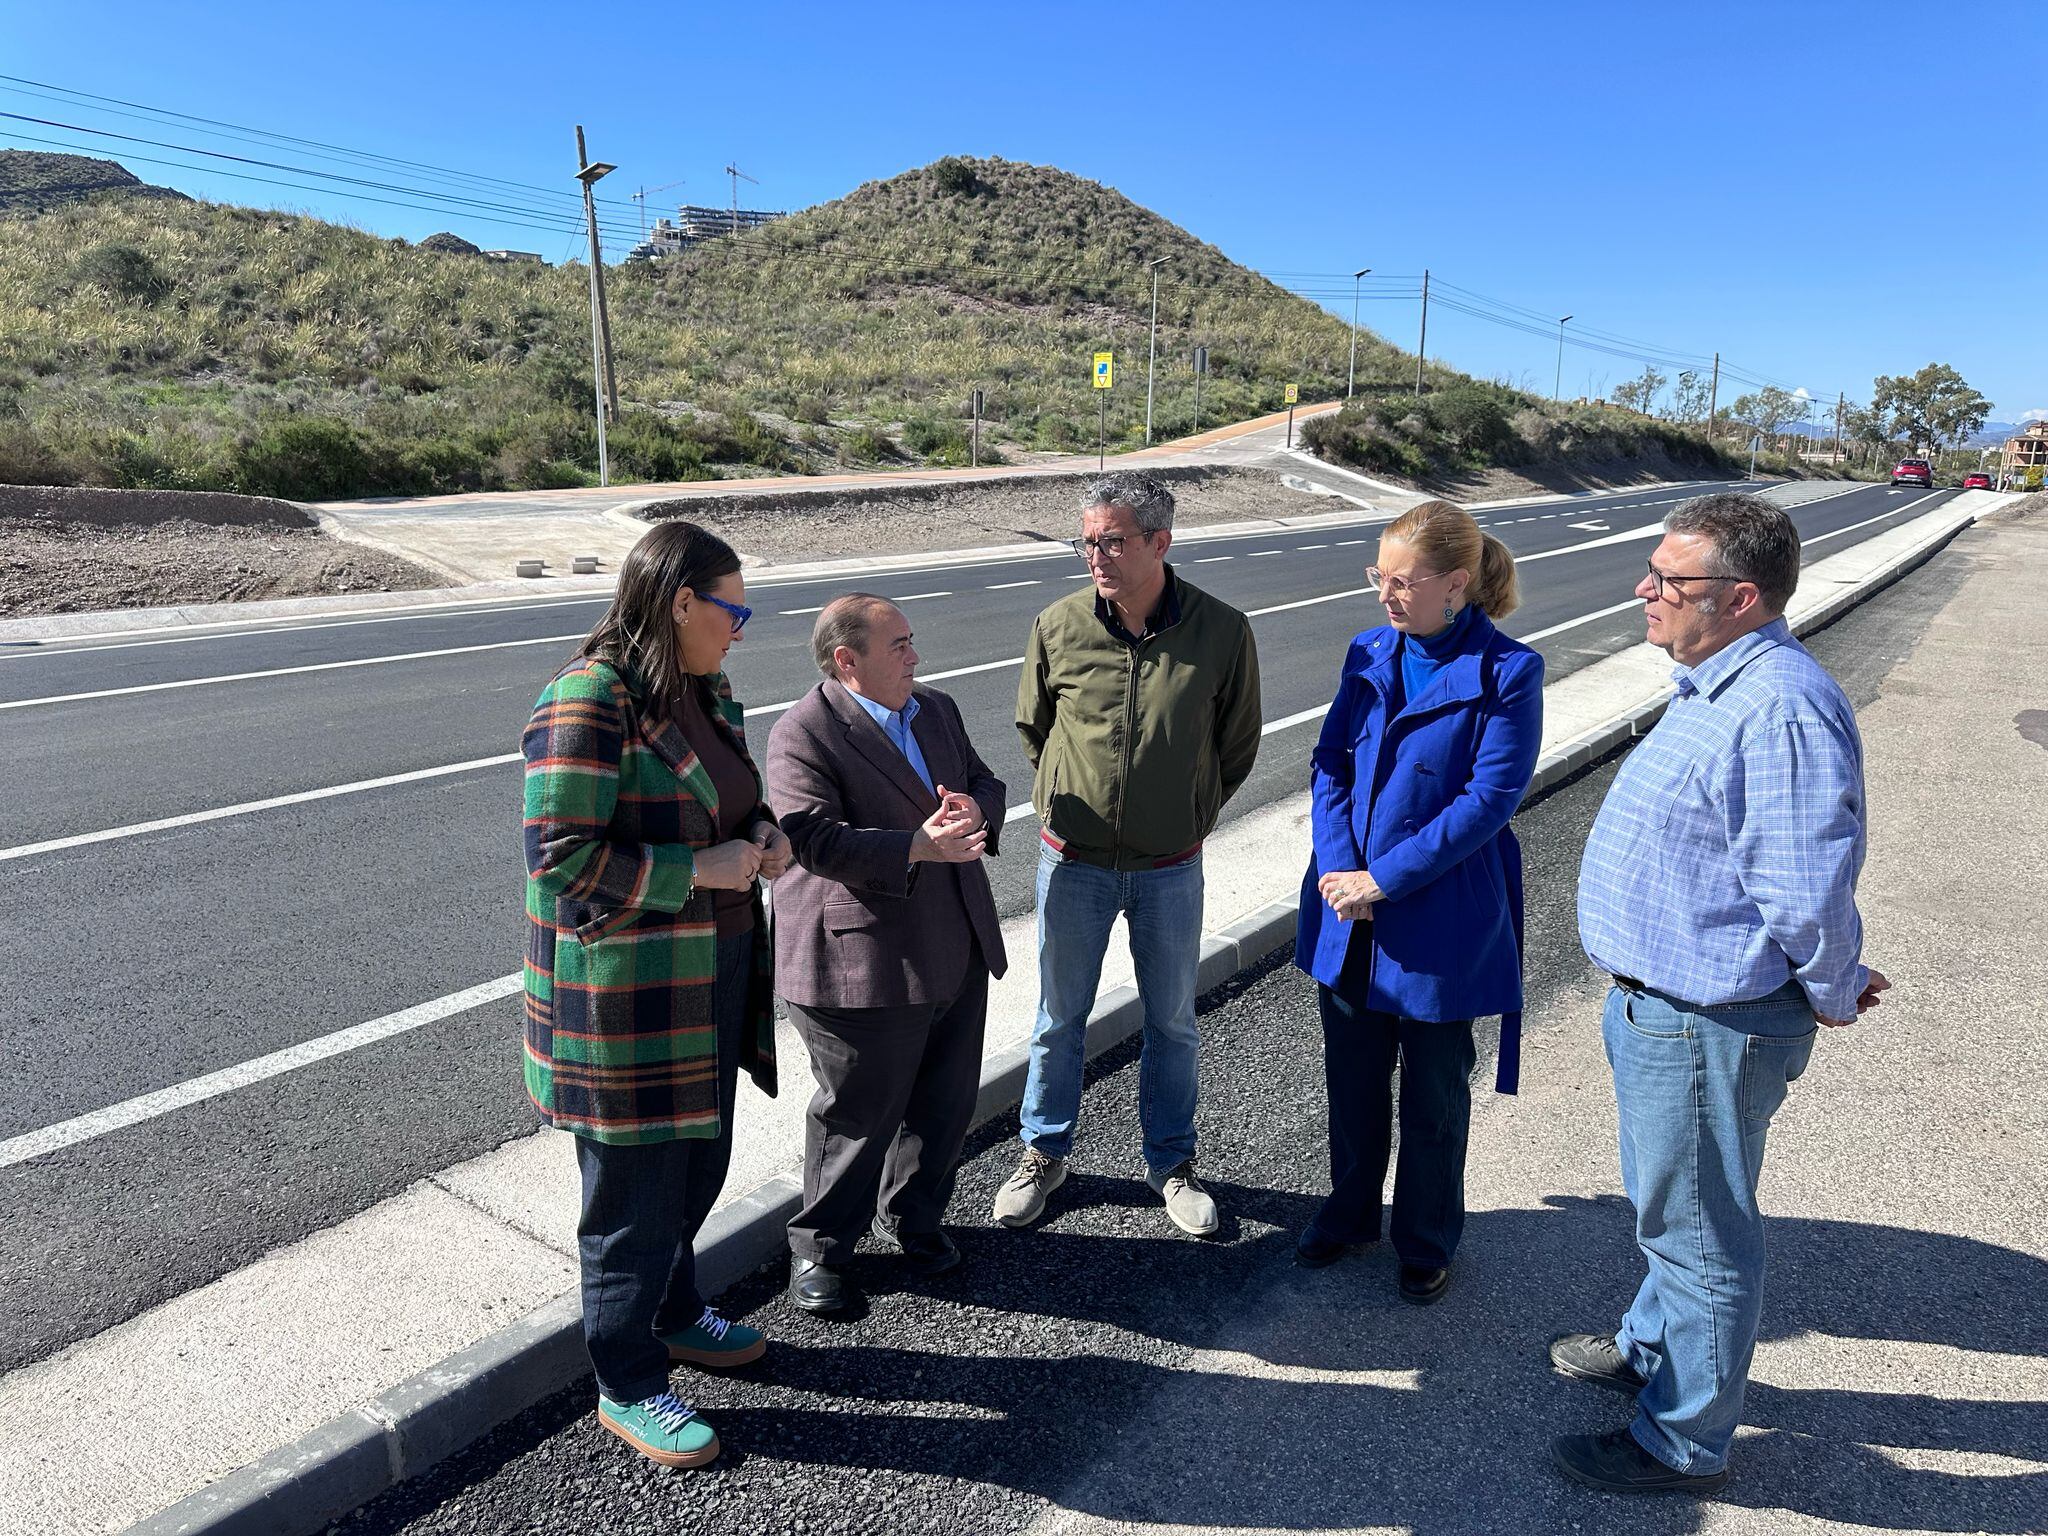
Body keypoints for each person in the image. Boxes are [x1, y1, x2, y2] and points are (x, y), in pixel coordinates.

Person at [1553, 492, 1890, 1494]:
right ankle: (1649, 1350)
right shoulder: (1716, 677)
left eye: (1667, 580)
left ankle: (1681, 1440)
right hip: (1667, 1004)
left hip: (1710, 1018)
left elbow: (1800, 879)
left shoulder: (1778, 702)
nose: (1642, 590)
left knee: (1698, 1231)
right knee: (1673, 1206)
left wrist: (1829, 984)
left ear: (1739, 597)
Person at [520, 520, 793, 1470]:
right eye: (733, 608)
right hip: (625, 1002)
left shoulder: (704, 690)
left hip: (709, 979)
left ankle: (675, 1314)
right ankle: (627, 1379)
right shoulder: (587, 700)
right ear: (681, 602)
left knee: (698, 1166)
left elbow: (731, 799)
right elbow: (561, 862)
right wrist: (700, 870)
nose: (742, 628)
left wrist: (762, 831)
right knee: (632, 1201)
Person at [997, 471, 1262, 1236]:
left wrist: (1186, 813)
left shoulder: (1221, 631)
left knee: (1173, 1021)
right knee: (1057, 1019)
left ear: (1159, 543)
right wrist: (1065, 798)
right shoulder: (1058, 625)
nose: (1096, 556)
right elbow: (1033, 729)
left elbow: (1237, 746)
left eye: (1112, 541)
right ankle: (1044, 1153)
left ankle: (1172, 1164)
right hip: (1072, 863)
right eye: (1087, 541)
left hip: (1169, 868)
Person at [1292, 499, 1543, 1304]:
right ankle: (1350, 1213)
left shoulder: (1510, 673)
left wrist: (1383, 879)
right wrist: (1340, 870)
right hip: (1349, 909)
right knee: (1353, 1077)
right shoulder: (1369, 650)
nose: (1386, 596)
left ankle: (1427, 1237)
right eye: (1379, 577)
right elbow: (1330, 763)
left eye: (1403, 581)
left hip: (1440, 913)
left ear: (1457, 585)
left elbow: (1487, 801)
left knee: (1434, 1092)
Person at [766, 594, 1009, 1315]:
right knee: (858, 1114)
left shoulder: (935, 709)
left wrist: (977, 811)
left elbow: (984, 781)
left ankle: (913, 1218)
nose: (914, 656)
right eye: (898, 644)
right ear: (848, 660)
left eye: (911, 641)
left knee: (943, 1105)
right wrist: (914, 845)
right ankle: (821, 1252)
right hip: (858, 959)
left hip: (953, 938)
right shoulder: (803, 732)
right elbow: (810, 837)